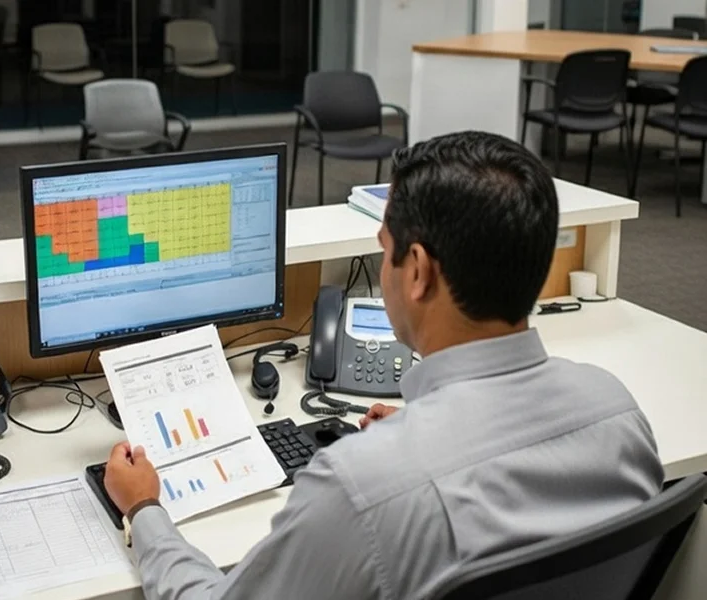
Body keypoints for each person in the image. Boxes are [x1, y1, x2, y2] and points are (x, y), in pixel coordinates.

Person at [103, 131, 664, 600]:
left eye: (383, 246)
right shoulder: (616, 410)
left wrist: (146, 509)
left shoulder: (359, 487)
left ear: (416, 271)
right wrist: (422, 436)